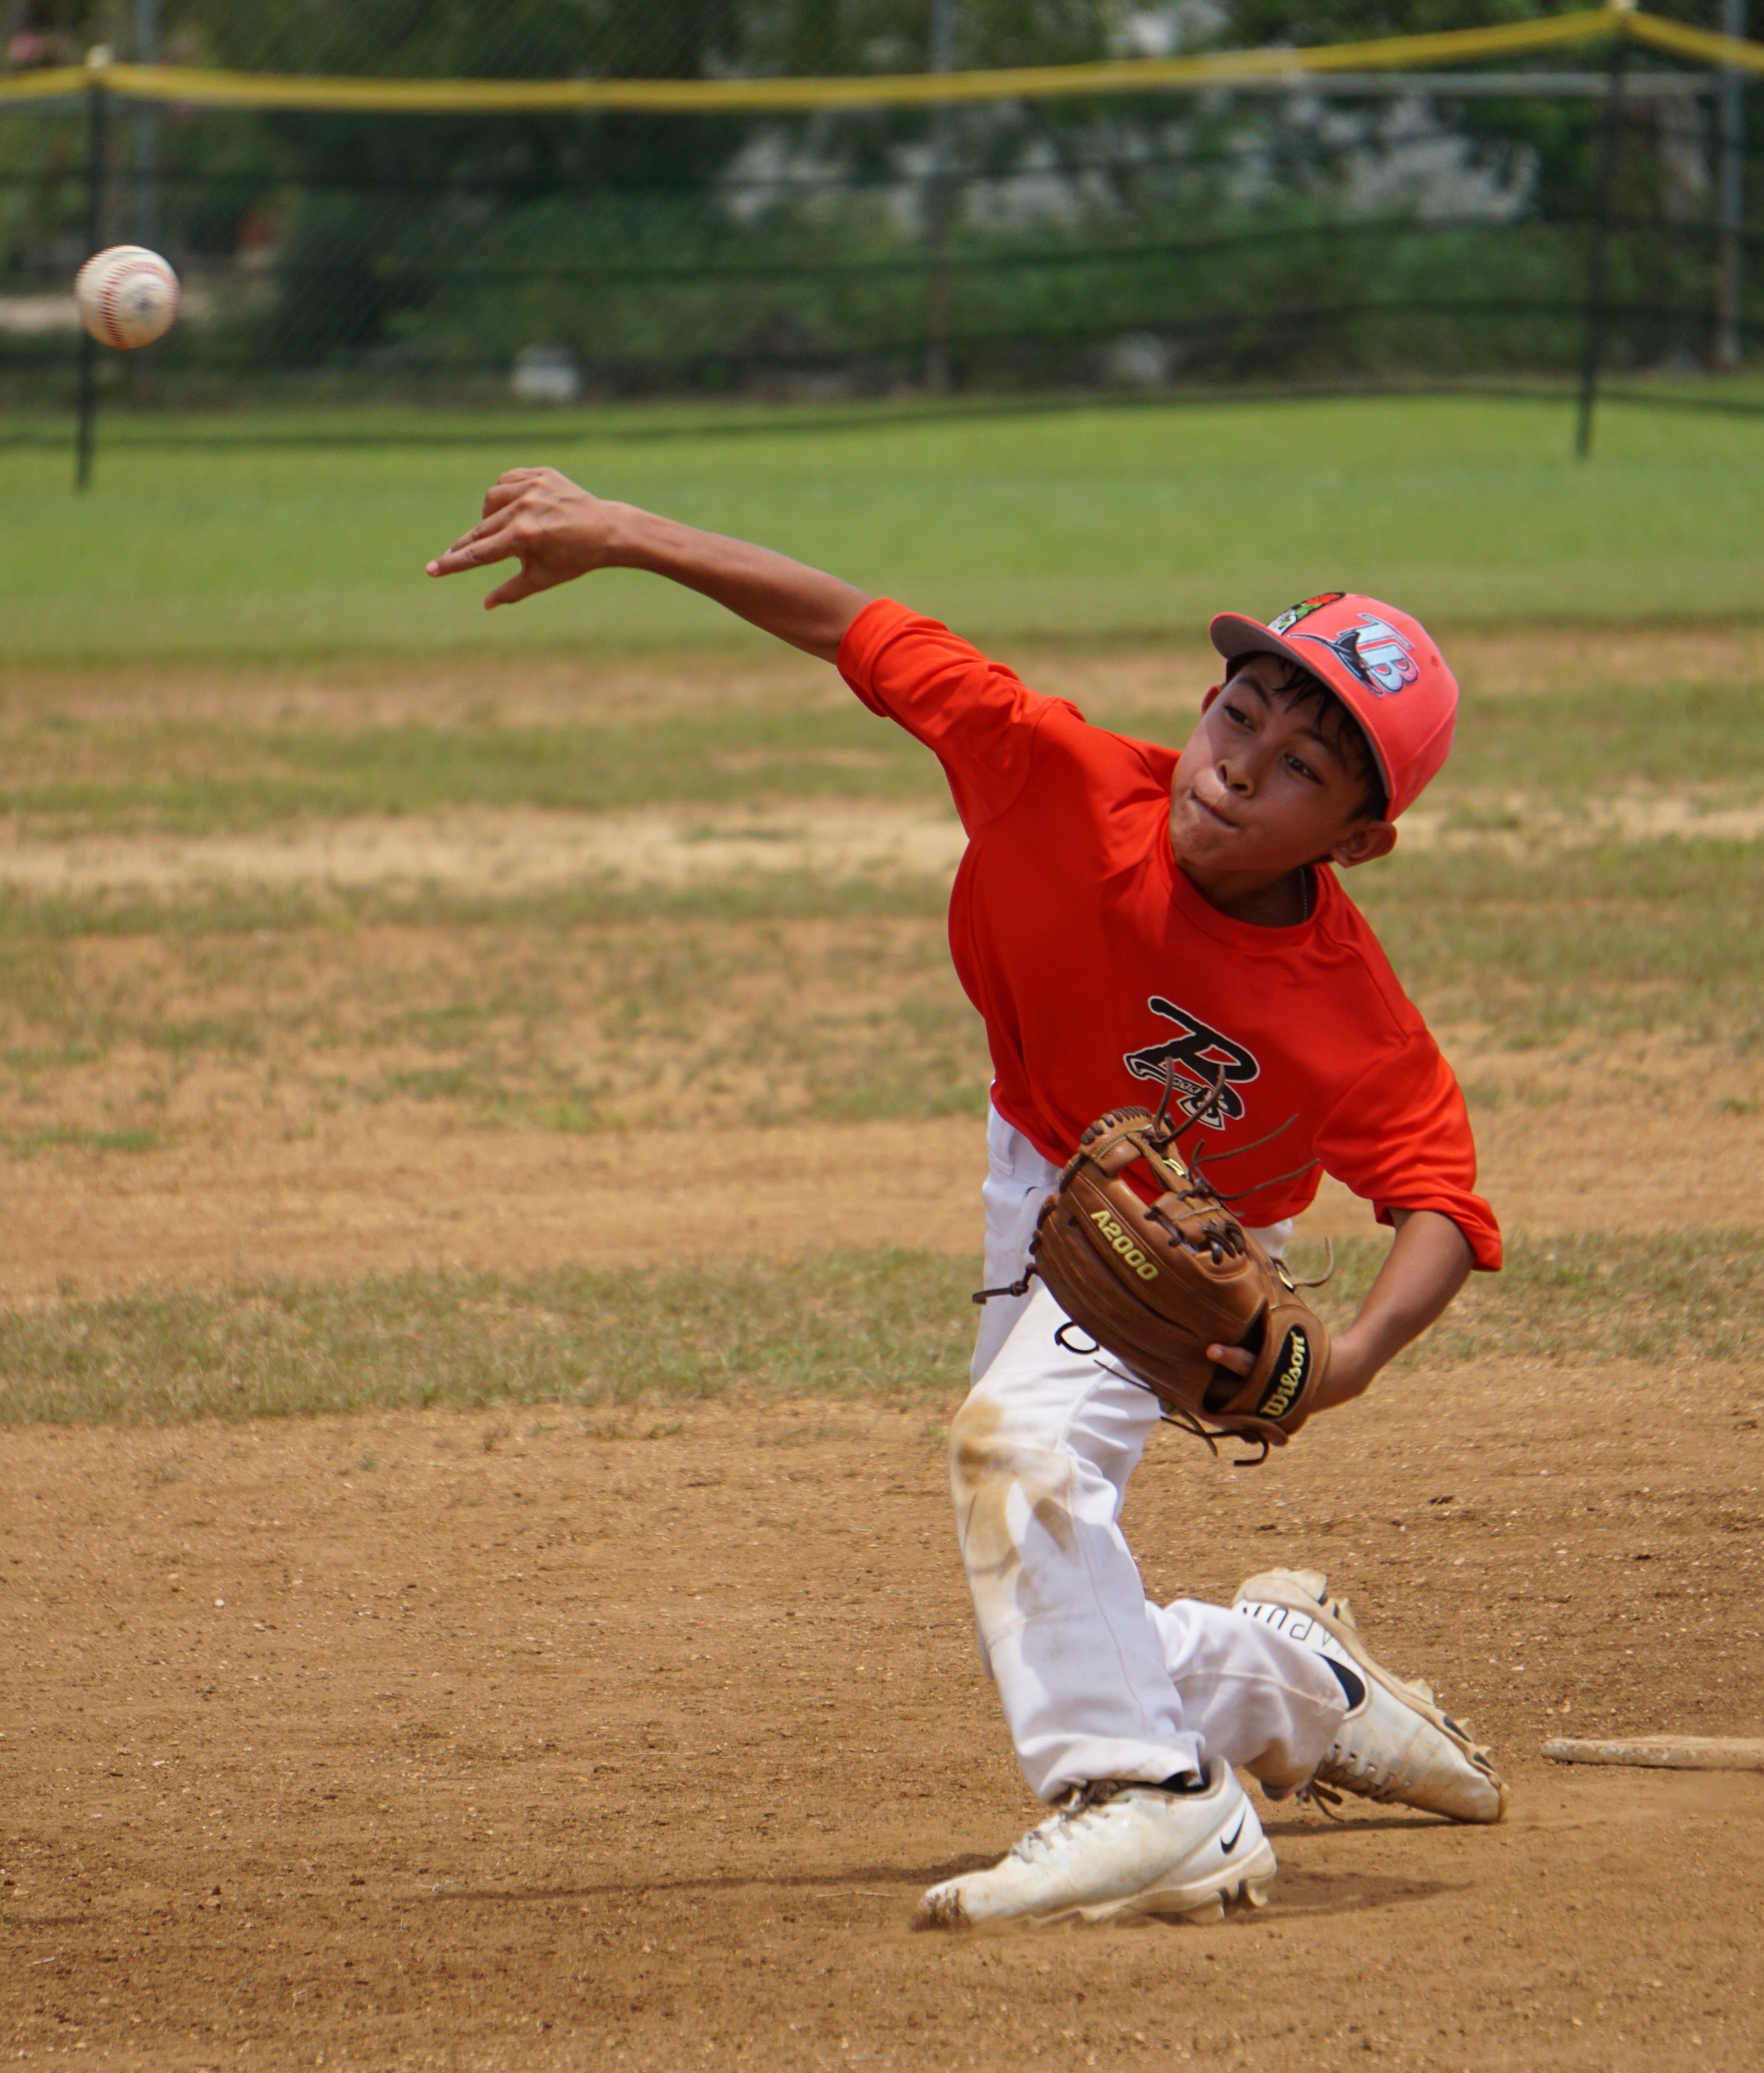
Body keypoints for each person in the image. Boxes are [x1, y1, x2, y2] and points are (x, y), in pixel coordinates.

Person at [428, 469, 1507, 1930]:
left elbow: (1438, 1192)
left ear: (1356, 839)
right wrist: (621, 532)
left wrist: (1356, 1357)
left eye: (1306, 765)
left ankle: (1158, 1799)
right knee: (1039, 1516)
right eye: (1239, 710)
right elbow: (855, 625)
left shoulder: (1344, 1013)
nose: (1245, 761)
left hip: (1191, 1240)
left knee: (1015, 1455)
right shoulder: (1045, 769)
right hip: (1040, 1175)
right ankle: (1287, 1678)